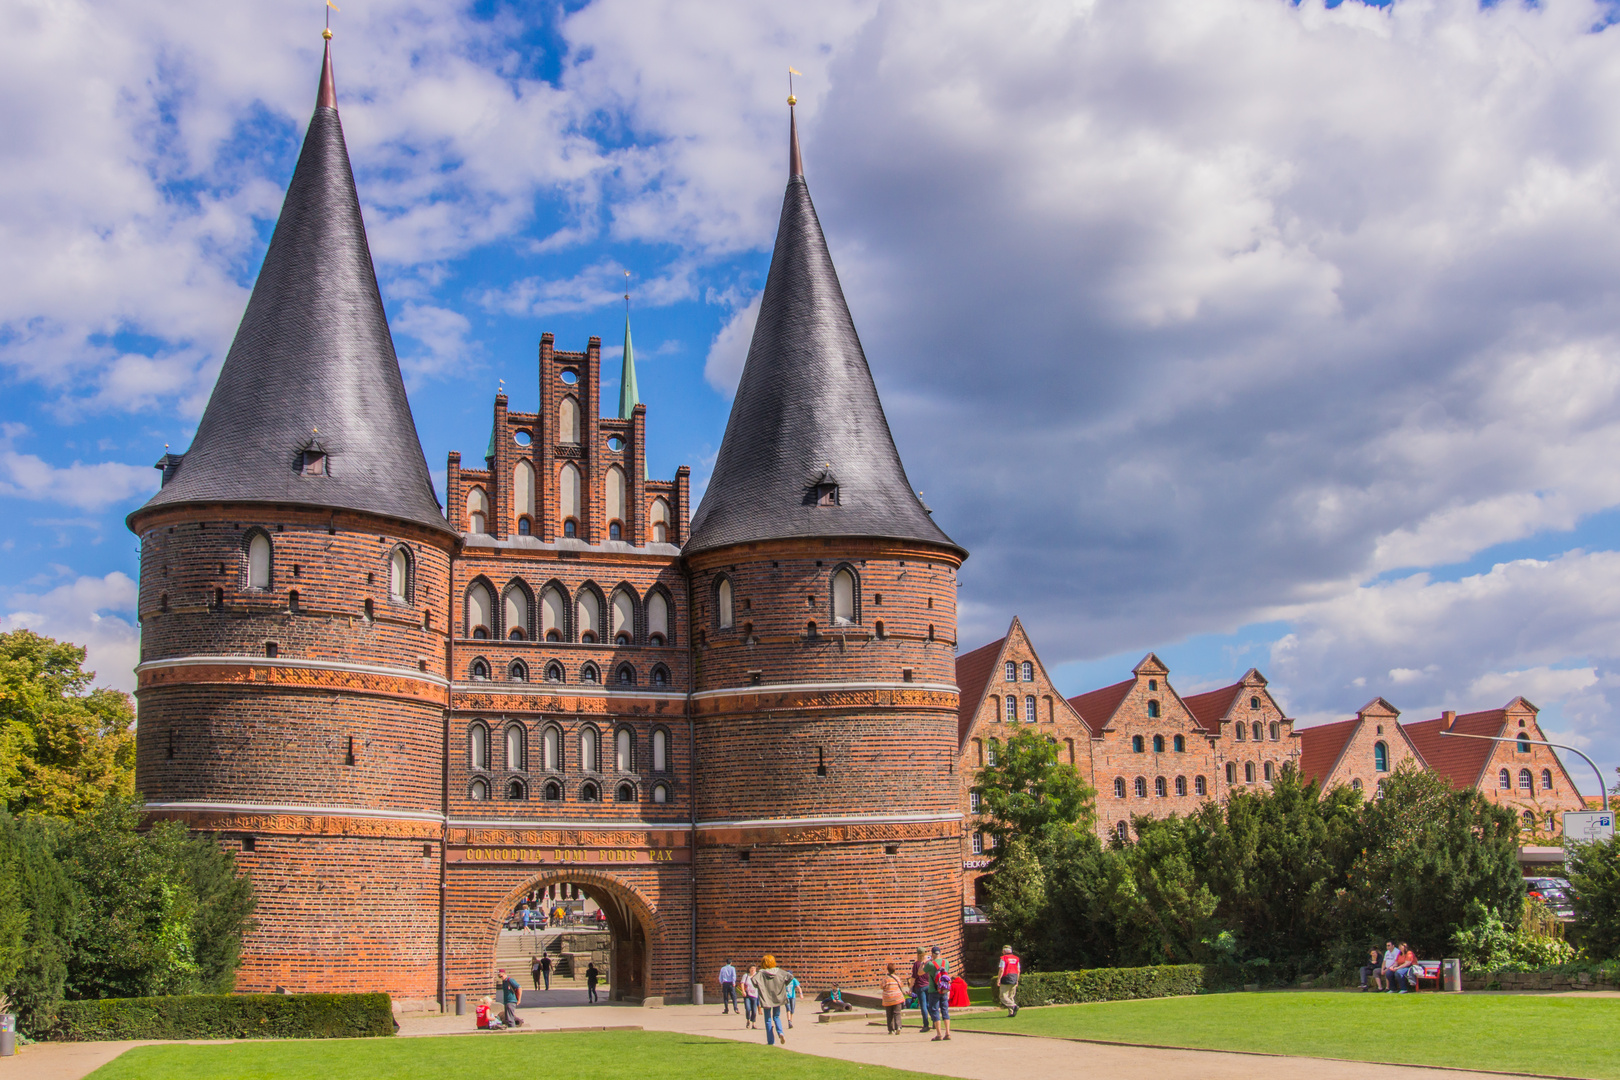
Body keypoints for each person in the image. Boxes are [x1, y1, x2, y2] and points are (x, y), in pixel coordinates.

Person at [755, 954, 789, 1046]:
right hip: (777, 997)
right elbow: (790, 977)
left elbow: (754, 981)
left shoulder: (761, 973)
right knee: (776, 1016)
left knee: (768, 1019)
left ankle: (771, 1041)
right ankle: (780, 1032)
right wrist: (783, 985)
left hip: (766, 998)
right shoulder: (779, 971)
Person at [924, 946, 951, 1041]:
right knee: (945, 1010)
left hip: (933, 990)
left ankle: (939, 1034)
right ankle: (947, 1032)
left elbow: (920, 972)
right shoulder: (946, 962)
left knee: (934, 1010)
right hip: (944, 989)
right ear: (940, 953)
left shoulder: (930, 964)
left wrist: (924, 962)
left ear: (932, 954)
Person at [880, 962, 906, 1034]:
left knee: (889, 1014)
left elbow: (882, 987)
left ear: (888, 970)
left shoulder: (885, 979)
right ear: (895, 970)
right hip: (897, 997)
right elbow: (901, 985)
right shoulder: (897, 978)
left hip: (888, 998)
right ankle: (898, 1027)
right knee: (897, 1013)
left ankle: (891, 1030)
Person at [911, 948, 932, 1033]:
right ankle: (935, 1021)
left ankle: (926, 1025)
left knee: (923, 1005)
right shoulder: (928, 963)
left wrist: (910, 987)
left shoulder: (917, 964)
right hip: (928, 985)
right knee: (930, 1004)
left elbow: (914, 977)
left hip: (920, 986)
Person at [997, 945, 1021, 1017]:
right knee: (1011, 996)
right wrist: (1017, 980)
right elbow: (1018, 970)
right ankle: (1011, 1013)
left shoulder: (1003, 958)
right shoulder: (1016, 958)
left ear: (1004, 951)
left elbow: (1001, 969)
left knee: (1003, 996)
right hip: (1014, 977)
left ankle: (1013, 1006)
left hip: (1006, 977)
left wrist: (998, 979)